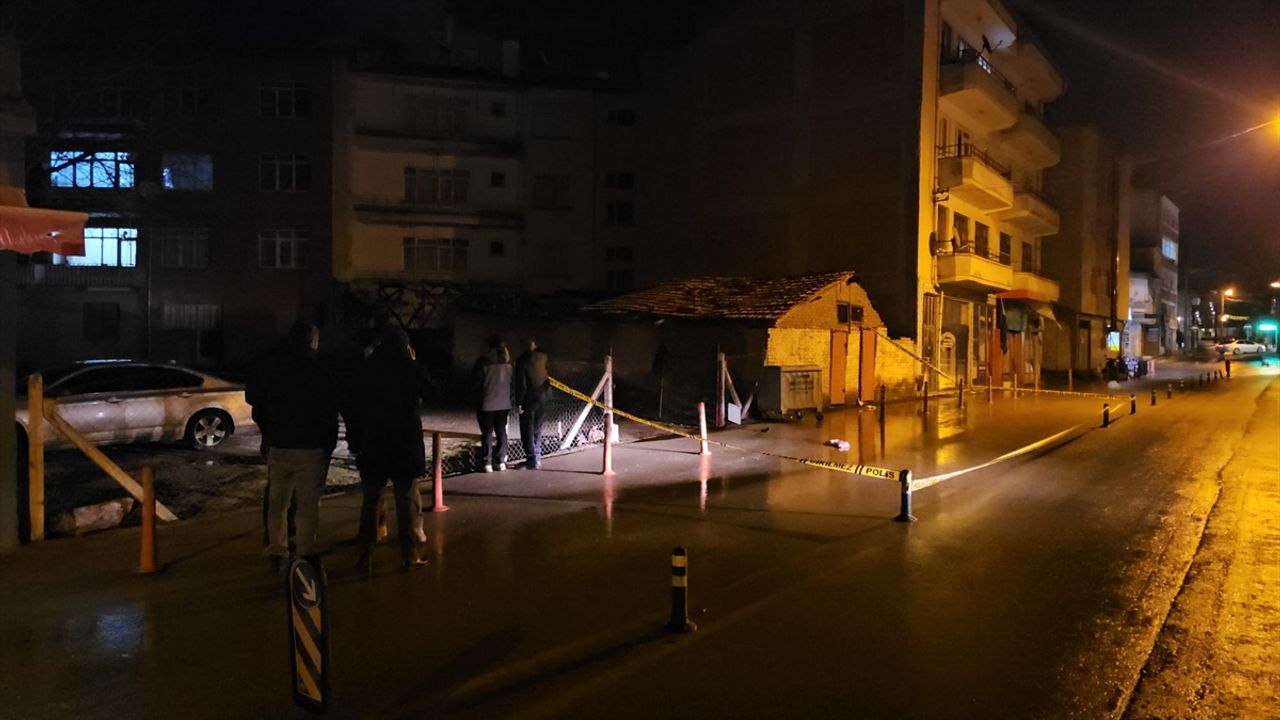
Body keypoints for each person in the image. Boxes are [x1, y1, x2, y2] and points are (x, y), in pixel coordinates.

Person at [245, 321, 339, 569]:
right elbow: (328, 413)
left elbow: (258, 405)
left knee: (277, 502)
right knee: (307, 505)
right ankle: (305, 552)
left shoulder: (275, 369)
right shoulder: (319, 372)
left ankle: (277, 548)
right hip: (310, 447)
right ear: (313, 341)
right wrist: (328, 444)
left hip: (279, 444)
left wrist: (269, 432)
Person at [346, 326, 428, 569]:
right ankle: (409, 554)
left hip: (374, 442)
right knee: (406, 500)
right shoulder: (409, 368)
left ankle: (366, 552)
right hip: (404, 444)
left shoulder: (366, 369)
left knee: (371, 500)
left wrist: (355, 440)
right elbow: (432, 389)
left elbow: (352, 407)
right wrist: (414, 362)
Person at [472, 335, 513, 472]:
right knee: (501, 431)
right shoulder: (508, 364)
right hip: (504, 402)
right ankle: (501, 461)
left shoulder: (483, 363)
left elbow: (475, 383)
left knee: (487, 433)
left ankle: (487, 462)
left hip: (487, 402)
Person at [513, 337, 550, 469]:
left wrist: (519, 402)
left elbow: (521, 384)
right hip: (544, 397)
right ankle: (537, 457)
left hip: (529, 399)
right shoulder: (543, 357)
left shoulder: (522, 361)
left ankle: (531, 459)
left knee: (527, 429)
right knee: (537, 428)